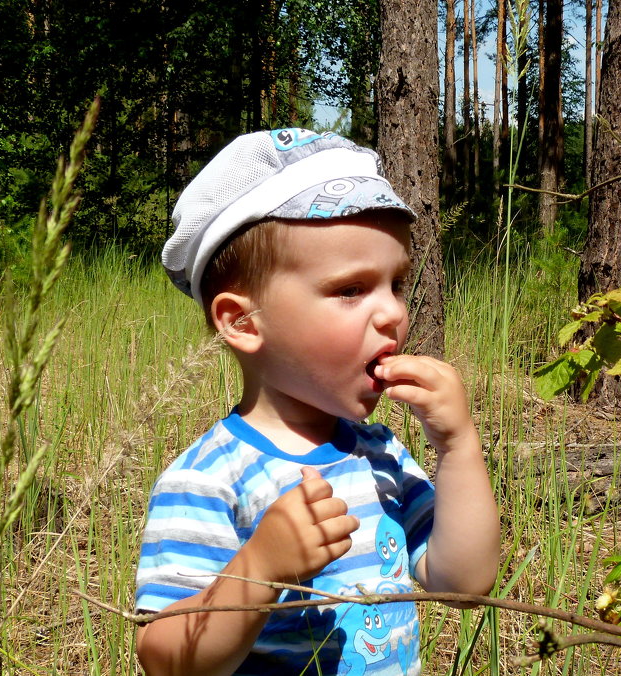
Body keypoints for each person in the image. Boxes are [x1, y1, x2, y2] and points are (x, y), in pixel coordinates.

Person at [134, 128, 500, 676]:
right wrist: (259, 569)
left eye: (396, 284)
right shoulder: (210, 478)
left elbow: (464, 585)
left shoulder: (380, 455)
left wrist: (457, 446)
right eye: (351, 290)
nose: (394, 314)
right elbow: (164, 657)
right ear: (242, 321)